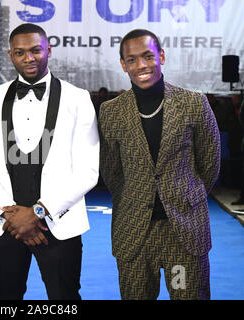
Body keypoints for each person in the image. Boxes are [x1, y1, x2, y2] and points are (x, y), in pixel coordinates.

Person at [0, 23, 99, 300]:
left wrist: (38, 213)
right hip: (4, 226)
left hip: (59, 223)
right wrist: (11, 218)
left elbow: (88, 170)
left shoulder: (78, 98)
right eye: (20, 52)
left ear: (48, 50)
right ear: (10, 55)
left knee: (65, 300)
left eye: (36, 50)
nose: (29, 58)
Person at [98, 29, 220, 300]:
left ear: (161, 56)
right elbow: (111, 171)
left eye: (147, 56)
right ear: (123, 64)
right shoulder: (111, 111)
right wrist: (135, 198)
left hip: (185, 232)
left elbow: (210, 164)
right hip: (133, 233)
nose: (141, 66)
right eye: (132, 59)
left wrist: (185, 196)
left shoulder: (194, 103)